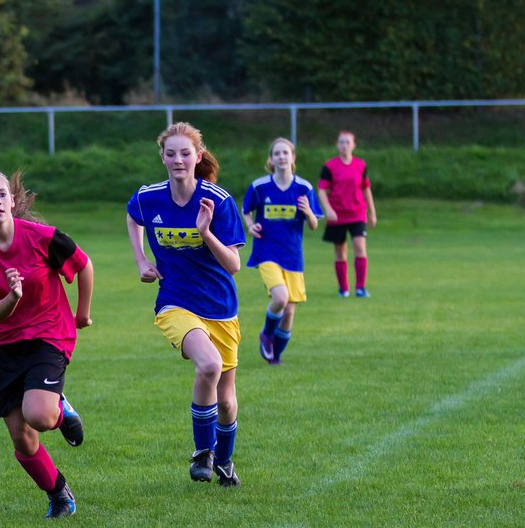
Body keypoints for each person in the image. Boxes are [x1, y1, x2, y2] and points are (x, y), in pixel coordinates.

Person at [0, 170, 93, 518]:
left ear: (13, 200)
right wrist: (14, 295)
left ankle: (59, 409)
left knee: (40, 415)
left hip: (48, 335)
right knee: (22, 437)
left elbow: (84, 265)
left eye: (2, 194)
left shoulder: (43, 238)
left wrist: (82, 313)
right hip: (1, 347)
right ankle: (58, 493)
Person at [126, 122, 245, 487]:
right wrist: (142, 261)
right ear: (162, 157)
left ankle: (224, 461)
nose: (178, 159)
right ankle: (201, 453)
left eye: (185, 153)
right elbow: (132, 216)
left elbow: (234, 265)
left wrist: (205, 232)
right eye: (171, 153)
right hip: (175, 303)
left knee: (225, 401)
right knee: (207, 364)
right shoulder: (150, 197)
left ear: (197, 156)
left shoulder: (218, 201)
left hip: (221, 308)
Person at [242, 137, 323, 365]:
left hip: (293, 256)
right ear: (271, 159)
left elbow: (314, 224)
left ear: (293, 158)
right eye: (276, 153)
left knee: (288, 313)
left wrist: (308, 212)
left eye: (285, 153)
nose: (281, 157)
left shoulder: (304, 188)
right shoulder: (260, 186)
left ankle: (275, 356)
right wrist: (250, 225)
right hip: (266, 252)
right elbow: (246, 209)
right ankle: (266, 334)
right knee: (280, 297)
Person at [317, 129, 377, 298]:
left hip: (357, 213)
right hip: (338, 215)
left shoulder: (360, 165)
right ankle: (343, 289)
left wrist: (372, 212)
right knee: (340, 251)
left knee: (360, 247)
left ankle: (360, 288)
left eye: (347, 142)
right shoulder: (330, 166)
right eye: (341, 142)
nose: (344, 145)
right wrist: (328, 210)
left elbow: (366, 189)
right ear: (337, 145)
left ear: (354, 145)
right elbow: (321, 190)